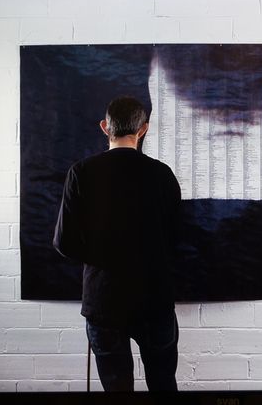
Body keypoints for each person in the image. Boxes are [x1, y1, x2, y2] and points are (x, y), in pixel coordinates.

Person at [52, 96, 182, 391]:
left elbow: (64, 241)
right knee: (163, 386)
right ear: (143, 129)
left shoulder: (81, 172)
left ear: (104, 127)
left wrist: (102, 258)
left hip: (104, 299)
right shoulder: (162, 174)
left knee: (116, 389)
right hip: (155, 299)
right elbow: (177, 237)